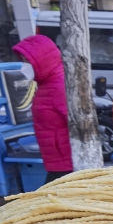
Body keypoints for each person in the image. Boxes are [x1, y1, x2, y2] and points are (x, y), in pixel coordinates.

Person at [12, 35, 72, 183]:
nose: (24, 65)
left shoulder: (58, 86)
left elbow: (77, 123)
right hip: (57, 159)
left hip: (65, 161)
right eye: (23, 60)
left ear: (41, 60)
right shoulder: (47, 83)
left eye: (27, 60)